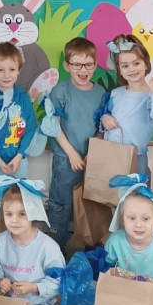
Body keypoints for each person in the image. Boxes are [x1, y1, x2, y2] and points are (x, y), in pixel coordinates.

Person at [47, 37, 108, 248]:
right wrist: (72, 154)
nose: (83, 70)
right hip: (66, 159)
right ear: (67, 66)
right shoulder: (60, 91)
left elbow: (102, 128)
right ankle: (56, 250)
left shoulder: (101, 93)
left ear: (95, 65)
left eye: (88, 65)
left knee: (93, 203)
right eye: (77, 65)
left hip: (91, 158)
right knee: (60, 205)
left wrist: (93, 152)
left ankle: (93, 249)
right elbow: (54, 127)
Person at [0, 43, 37, 239]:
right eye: (0, 70)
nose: (6, 75)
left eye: (11, 69)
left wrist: (19, 156)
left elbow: (30, 129)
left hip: (18, 161)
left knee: (19, 203)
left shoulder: (23, 98)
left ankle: (18, 240)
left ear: (19, 71)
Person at [100, 35, 153, 176]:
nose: (131, 69)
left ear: (146, 64)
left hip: (137, 155)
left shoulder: (151, 95)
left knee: (137, 188)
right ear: (119, 70)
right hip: (112, 152)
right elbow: (105, 114)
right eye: (125, 66)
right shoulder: (115, 93)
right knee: (110, 187)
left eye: (136, 63)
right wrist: (104, 118)